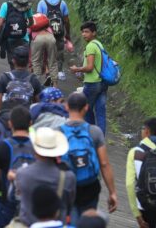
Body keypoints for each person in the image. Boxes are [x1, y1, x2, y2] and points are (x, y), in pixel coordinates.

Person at [63, 93, 117, 221]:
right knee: (88, 221)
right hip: (90, 186)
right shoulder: (95, 131)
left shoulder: (58, 131)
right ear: (86, 108)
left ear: (66, 107)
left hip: (66, 185)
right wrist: (112, 192)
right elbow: (104, 164)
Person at [0, 106, 35, 228]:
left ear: (10, 123)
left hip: (7, 202)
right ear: (30, 123)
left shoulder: (2, 146)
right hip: (31, 204)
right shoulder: (37, 147)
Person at [15, 127, 76, 226]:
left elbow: (13, 198)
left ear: (35, 150)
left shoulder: (22, 174)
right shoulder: (68, 177)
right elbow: (69, 205)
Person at [70, 21, 108, 134]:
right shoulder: (99, 44)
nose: (83, 34)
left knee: (85, 109)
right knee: (100, 112)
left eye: (87, 32)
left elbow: (90, 67)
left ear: (94, 33)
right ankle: (100, 138)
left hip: (92, 83)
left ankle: (90, 135)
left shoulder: (91, 46)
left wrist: (77, 69)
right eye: (82, 32)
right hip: (102, 82)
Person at [36, 0, 71, 81]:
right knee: (59, 51)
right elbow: (66, 20)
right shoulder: (62, 3)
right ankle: (59, 71)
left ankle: (48, 71)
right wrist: (67, 34)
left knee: (46, 51)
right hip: (59, 33)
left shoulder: (42, 3)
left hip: (47, 32)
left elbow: (39, 19)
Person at [0, 0, 33, 64]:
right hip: (23, 38)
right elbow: (31, 22)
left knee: (13, 63)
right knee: (24, 64)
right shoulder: (26, 4)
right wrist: (24, 26)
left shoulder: (6, 5)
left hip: (10, 39)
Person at [0, 45, 43, 114]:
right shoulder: (34, 79)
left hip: (8, 118)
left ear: (13, 60)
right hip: (26, 119)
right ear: (29, 61)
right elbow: (39, 105)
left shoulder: (5, 77)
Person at [30, 12, 58, 87]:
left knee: (36, 62)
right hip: (50, 38)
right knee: (53, 62)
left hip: (38, 39)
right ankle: (55, 86)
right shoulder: (47, 26)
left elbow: (28, 33)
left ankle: (36, 86)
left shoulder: (31, 22)